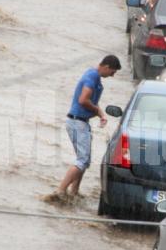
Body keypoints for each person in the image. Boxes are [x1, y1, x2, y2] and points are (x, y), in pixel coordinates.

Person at [50, 55, 121, 200]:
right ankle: (60, 191)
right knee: (82, 161)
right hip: (77, 122)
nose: (112, 75)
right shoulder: (93, 76)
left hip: (79, 122)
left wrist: (100, 113)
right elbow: (83, 100)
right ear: (106, 67)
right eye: (112, 72)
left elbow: (88, 100)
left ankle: (73, 192)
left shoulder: (92, 75)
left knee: (84, 160)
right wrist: (98, 111)